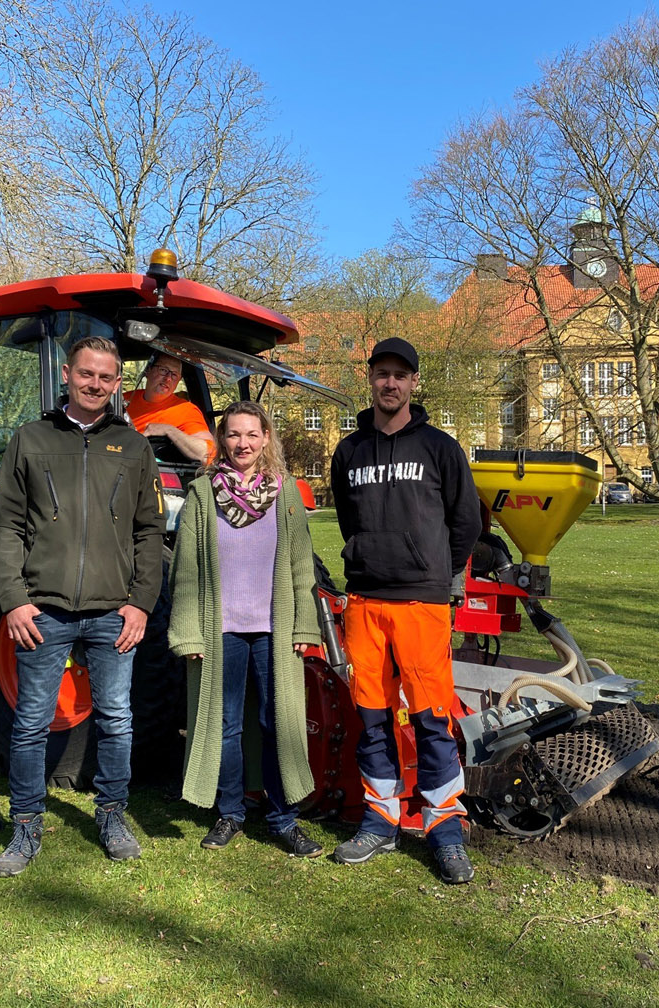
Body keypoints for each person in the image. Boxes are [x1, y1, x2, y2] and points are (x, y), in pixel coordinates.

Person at [0, 336, 165, 876]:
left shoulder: (133, 446)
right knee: (30, 723)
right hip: (44, 610)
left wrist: (141, 604)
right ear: (67, 374)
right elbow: (6, 525)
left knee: (117, 719)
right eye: (86, 374)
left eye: (106, 377)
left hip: (114, 611)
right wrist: (14, 600)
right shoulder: (31, 439)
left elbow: (149, 531)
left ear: (118, 383)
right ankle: (25, 825)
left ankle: (112, 814)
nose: (95, 384)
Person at [328, 337, 482, 884]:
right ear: (370, 379)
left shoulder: (441, 448)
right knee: (371, 718)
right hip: (365, 603)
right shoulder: (348, 452)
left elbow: (466, 522)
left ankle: (445, 830)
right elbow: (348, 521)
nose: (389, 383)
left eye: (400, 374)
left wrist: (436, 572)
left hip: (422, 603)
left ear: (414, 382)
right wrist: (368, 556)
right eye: (381, 373)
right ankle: (380, 821)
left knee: (432, 719)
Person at [167, 401, 324, 857]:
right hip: (222, 631)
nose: (243, 443)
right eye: (234, 434)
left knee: (278, 722)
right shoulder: (202, 493)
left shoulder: (285, 492)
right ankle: (230, 813)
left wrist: (304, 624)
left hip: (275, 629)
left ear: (266, 438)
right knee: (226, 725)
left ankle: (282, 818)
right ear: (222, 439)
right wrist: (188, 631)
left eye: (252, 434)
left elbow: (301, 565)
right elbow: (185, 568)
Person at [125, 351, 214, 464]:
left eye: (174, 375)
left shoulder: (186, 410)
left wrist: (169, 430)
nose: (168, 378)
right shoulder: (124, 399)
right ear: (148, 370)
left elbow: (208, 454)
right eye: (163, 370)